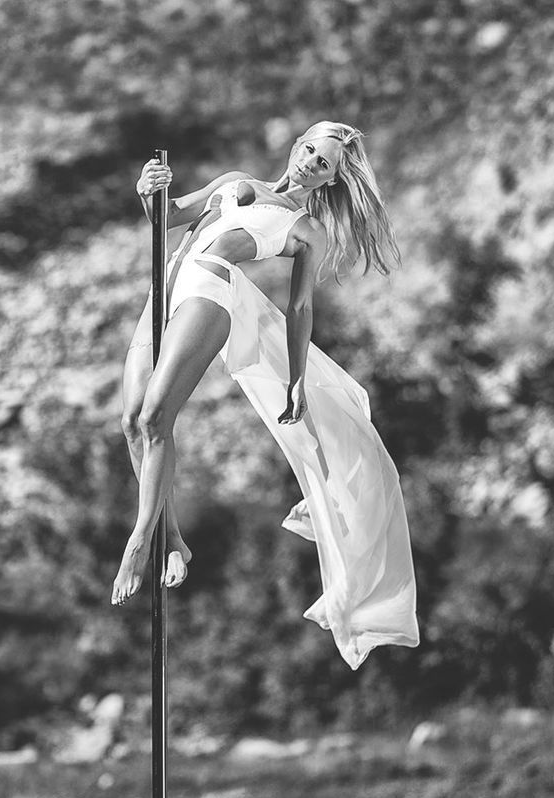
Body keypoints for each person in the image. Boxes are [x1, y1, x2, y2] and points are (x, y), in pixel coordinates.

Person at [112, 121, 419, 669]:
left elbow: (300, 310)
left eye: (323, 163)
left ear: (332, 179)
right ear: (296, 145)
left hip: (209, 289)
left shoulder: (306, 229)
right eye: (308, 150)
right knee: (132, 424)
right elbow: (167, 219)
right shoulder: (236, 182)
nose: (309, 163)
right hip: (165, 287)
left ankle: (139, 543)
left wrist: (297, 377)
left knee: (158, 418)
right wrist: (148, 188)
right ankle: (172, 538)